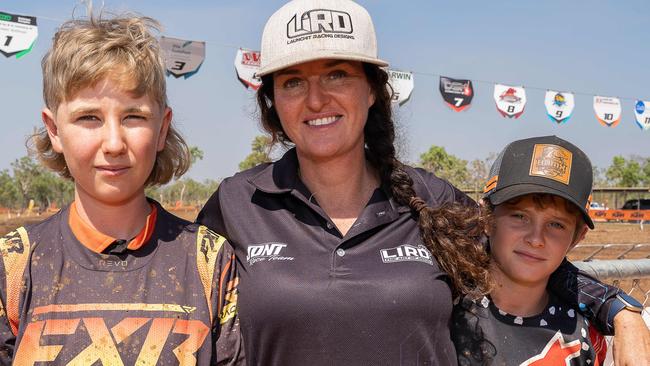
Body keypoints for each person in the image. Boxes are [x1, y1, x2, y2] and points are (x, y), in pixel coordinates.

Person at [197, 0, 649, 364]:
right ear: (273, 100)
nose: (316, 99)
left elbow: (525, 253)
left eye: (337, 74)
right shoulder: (236, 204)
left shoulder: (430, 200)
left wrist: (616, 308)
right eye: (293, 81)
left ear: (372, 89)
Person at [0, 14, 242, 364]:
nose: (113, 143)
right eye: (89, 118)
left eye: (134, 117)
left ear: (162, 129)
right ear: (54, 130)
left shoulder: (209, 262)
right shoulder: (14, 265)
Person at [450, 136, 630, 365]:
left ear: (578, 237)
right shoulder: (441, 312)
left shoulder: (584, 336)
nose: (536, 239)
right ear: (486, 217)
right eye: (520, 216)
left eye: (556, 224)